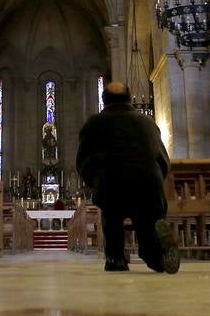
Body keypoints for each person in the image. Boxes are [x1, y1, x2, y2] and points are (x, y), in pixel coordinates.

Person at [76, 81, 179, 274]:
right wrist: (155, 181)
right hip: (149, 187)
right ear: (130, 98)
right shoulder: (148, 122)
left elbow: (83, 162)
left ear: (103, 100)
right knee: (147, 221)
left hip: (111, 186)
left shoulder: (93, 123)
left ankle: (116, 258)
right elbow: (163, 160)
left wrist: (95, 183)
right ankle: (155, 254)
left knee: (112, 219)